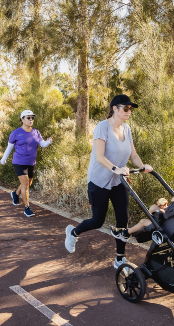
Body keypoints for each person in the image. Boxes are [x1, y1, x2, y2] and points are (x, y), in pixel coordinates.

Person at [64, 94, 153, 269]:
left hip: (119, 182)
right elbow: (99, 157)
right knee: (98, 221)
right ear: (114, 108)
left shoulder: (126, 129)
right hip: (99, 180)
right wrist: (116, 169)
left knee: (123, 220)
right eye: (125, 108)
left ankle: (119, 258)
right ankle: (73, 232)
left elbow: (133, 154)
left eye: (131, 109)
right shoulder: (102, 127)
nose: (129, 111)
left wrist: (143, 166)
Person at [109, 167, 174, 241]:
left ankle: (126, 233)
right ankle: (133, 231)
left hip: (172, 229)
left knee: (143, 221)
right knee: (154, 208)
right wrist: (166, 208)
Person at [0, 110, 53, 217]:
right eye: (28, 118)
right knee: (25, 184)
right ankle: (27, 208)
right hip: (19, 162)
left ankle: (15, 194)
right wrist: (3, 159)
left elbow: (42, 144)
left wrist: (48, 142)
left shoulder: (36, 132)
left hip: (31, 162)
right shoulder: (15, 133)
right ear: (22, 119)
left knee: (28, 184)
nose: (31, 120)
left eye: (32, 118)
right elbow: (9, 147)